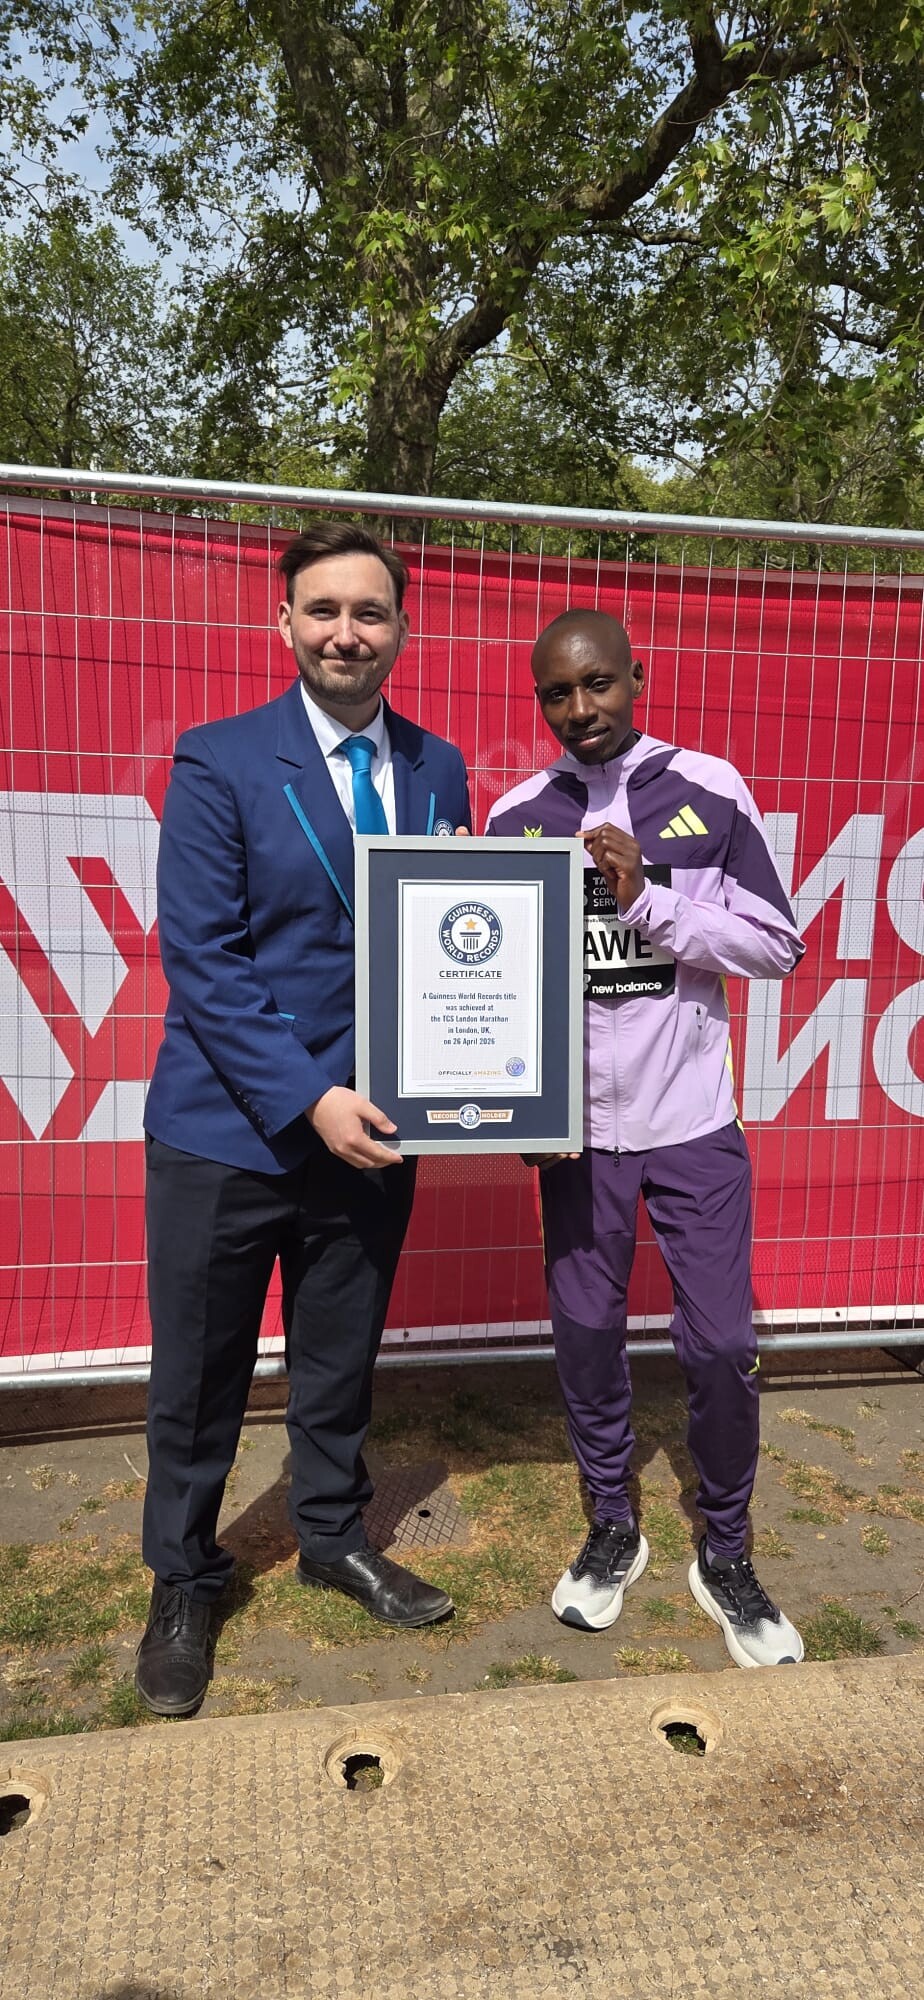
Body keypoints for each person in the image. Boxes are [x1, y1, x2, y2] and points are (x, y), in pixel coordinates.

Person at [136, 523, 471, 1716]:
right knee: (200, 1376)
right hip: (228, 1130)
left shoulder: (439, 767)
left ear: (401, 628)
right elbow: (205, 959)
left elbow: (452, 946)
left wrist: (489, 1078)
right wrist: (309, 1096)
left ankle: (331, 1534)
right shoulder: (219, 759)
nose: (346, 633)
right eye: (323, 610)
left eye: (369, 612)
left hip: (373, 1130)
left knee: (339, 1359)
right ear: (283, 623)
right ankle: (184, 1577)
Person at [486, 608, 806, 1668]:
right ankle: (613, 1523)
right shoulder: (516, 814)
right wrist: (521, 1105)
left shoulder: (709, 787)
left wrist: (651, 902)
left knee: (718, 1344)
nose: (580, 708)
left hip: (692, 1125)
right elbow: (499, 986)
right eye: (557, 693)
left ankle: (727, 1547)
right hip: (578, 1138)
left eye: (598, 684)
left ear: (637, 676)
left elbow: (778, 943)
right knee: (586, 1337)